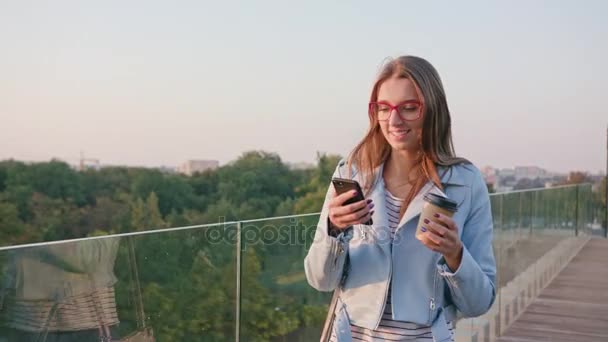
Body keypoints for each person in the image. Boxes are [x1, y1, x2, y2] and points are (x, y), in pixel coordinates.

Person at [304, 56, 496, 342]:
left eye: (409, 108)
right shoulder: (351, 172)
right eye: (384, 108)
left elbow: (479, 303)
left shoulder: (466, 183)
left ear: (433, 110)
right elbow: (321, 280)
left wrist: (455, 255)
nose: (393, 120)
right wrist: (334, 231)